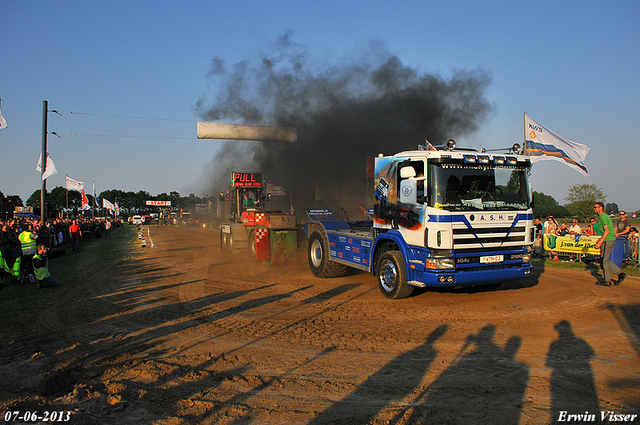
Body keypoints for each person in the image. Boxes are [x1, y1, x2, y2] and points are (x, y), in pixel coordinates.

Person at [594, 202, 625, 286]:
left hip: (609, 240)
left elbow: (607, 231)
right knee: (604, 259)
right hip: (607, 239)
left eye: (596, 207)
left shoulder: (603, 217)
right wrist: (601, 239)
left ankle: (607, 280)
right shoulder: (602, 217)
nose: (594, 209)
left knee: (604, 260)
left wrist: (600, 242)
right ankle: (620, 273)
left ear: (601, 208)